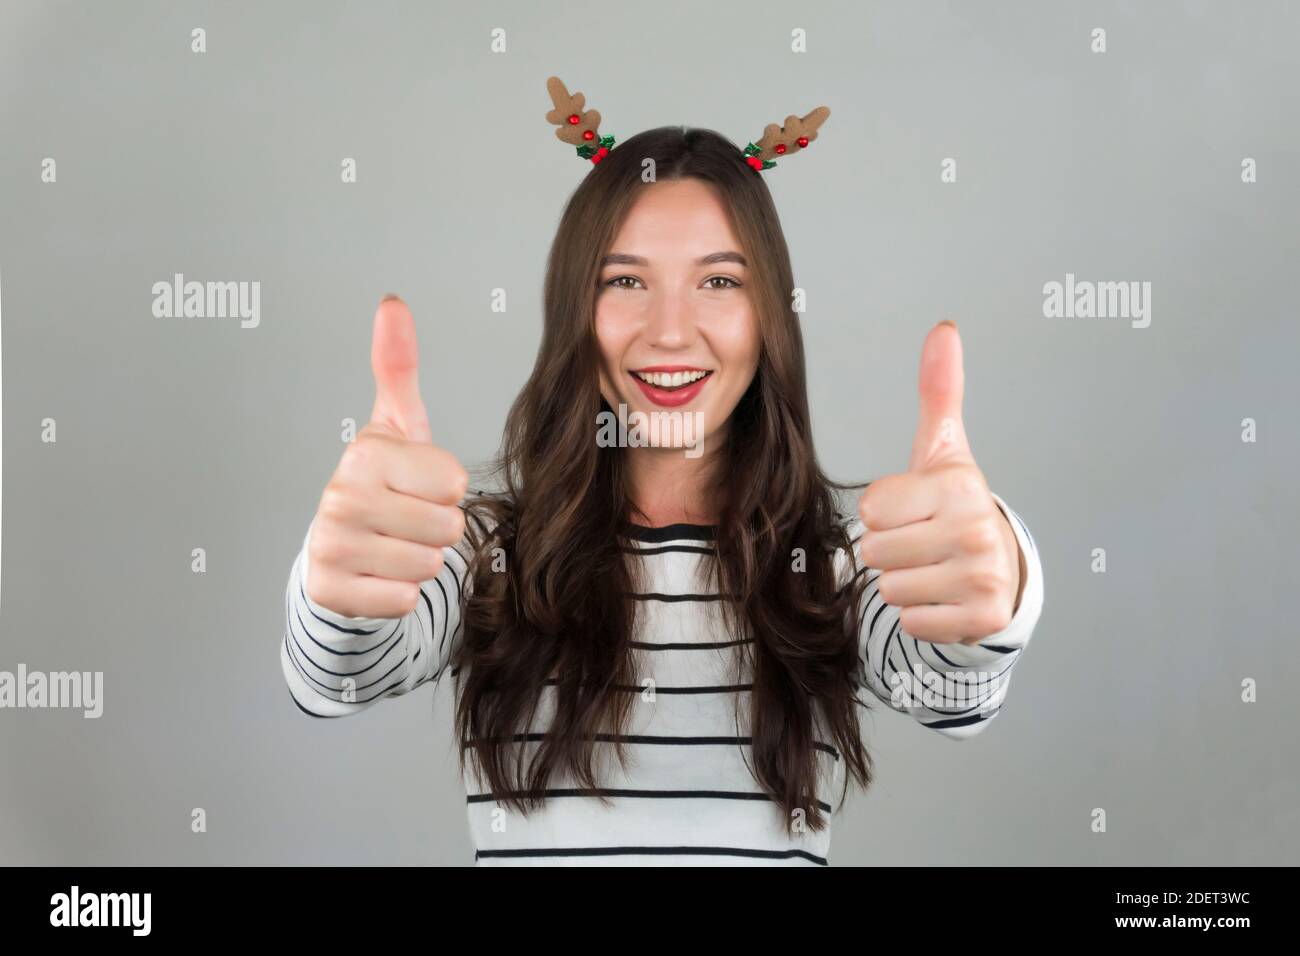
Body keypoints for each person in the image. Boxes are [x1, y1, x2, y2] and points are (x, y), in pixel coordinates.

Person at [280, 118, 1044, 866]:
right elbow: (338, 677)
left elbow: (950, 690)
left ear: (769, 315)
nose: (670, 332)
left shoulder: (833, 569)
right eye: (625, 281)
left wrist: (998, 571)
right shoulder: (489, 559)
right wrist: (339, 582)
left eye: (718, 281)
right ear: (574, 310)